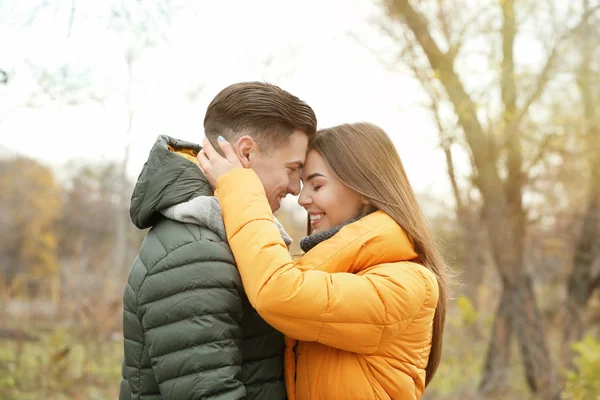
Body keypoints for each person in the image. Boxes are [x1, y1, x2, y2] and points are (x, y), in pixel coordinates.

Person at [197, 122, 449, 400]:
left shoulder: (407, 283)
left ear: (365, 189)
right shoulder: (328, 270)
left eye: (317, 185)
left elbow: (279, 292)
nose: (302, 199)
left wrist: (240, 187)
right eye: (303, 185)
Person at [119, 81, 317, 400]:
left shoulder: (226, 236)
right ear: (246, 152)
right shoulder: (196, 251)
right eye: (292, 168)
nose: (296, 188)